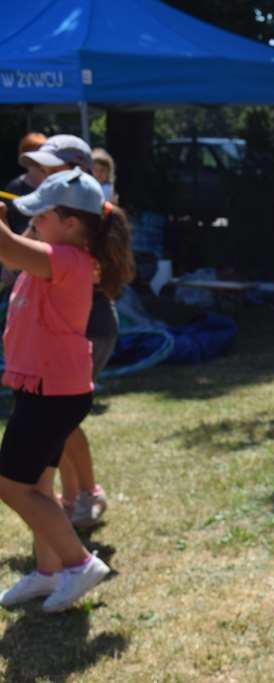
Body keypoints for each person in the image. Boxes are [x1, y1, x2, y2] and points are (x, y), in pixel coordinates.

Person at [0, 168, 131, 611]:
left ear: (71, 223)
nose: (33, 222)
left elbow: (7, 247)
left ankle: (79, 564)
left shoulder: (67, 261)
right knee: (37, 483)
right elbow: (13, 250)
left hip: (52, 393)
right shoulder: (56, 254)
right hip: (45, 387)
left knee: (11, 486)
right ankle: (47, 571)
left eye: (41, 216)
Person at [19, 134, 130, 528]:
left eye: (47, 168)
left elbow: (23, 256)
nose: (36, 175)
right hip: (67, 333)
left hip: (88, 331)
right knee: (59, 423)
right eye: (37, 168)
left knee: (61, 420)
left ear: (75, 173)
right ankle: (71, 500)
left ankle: (83, 495)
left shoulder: (85, 225)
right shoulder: (51, 216)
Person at [3, 132, 48, 235]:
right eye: (32, 152)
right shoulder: (15, 187)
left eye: (42, 152)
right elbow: (7, 221)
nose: (37, 158)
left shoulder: (57, 185)